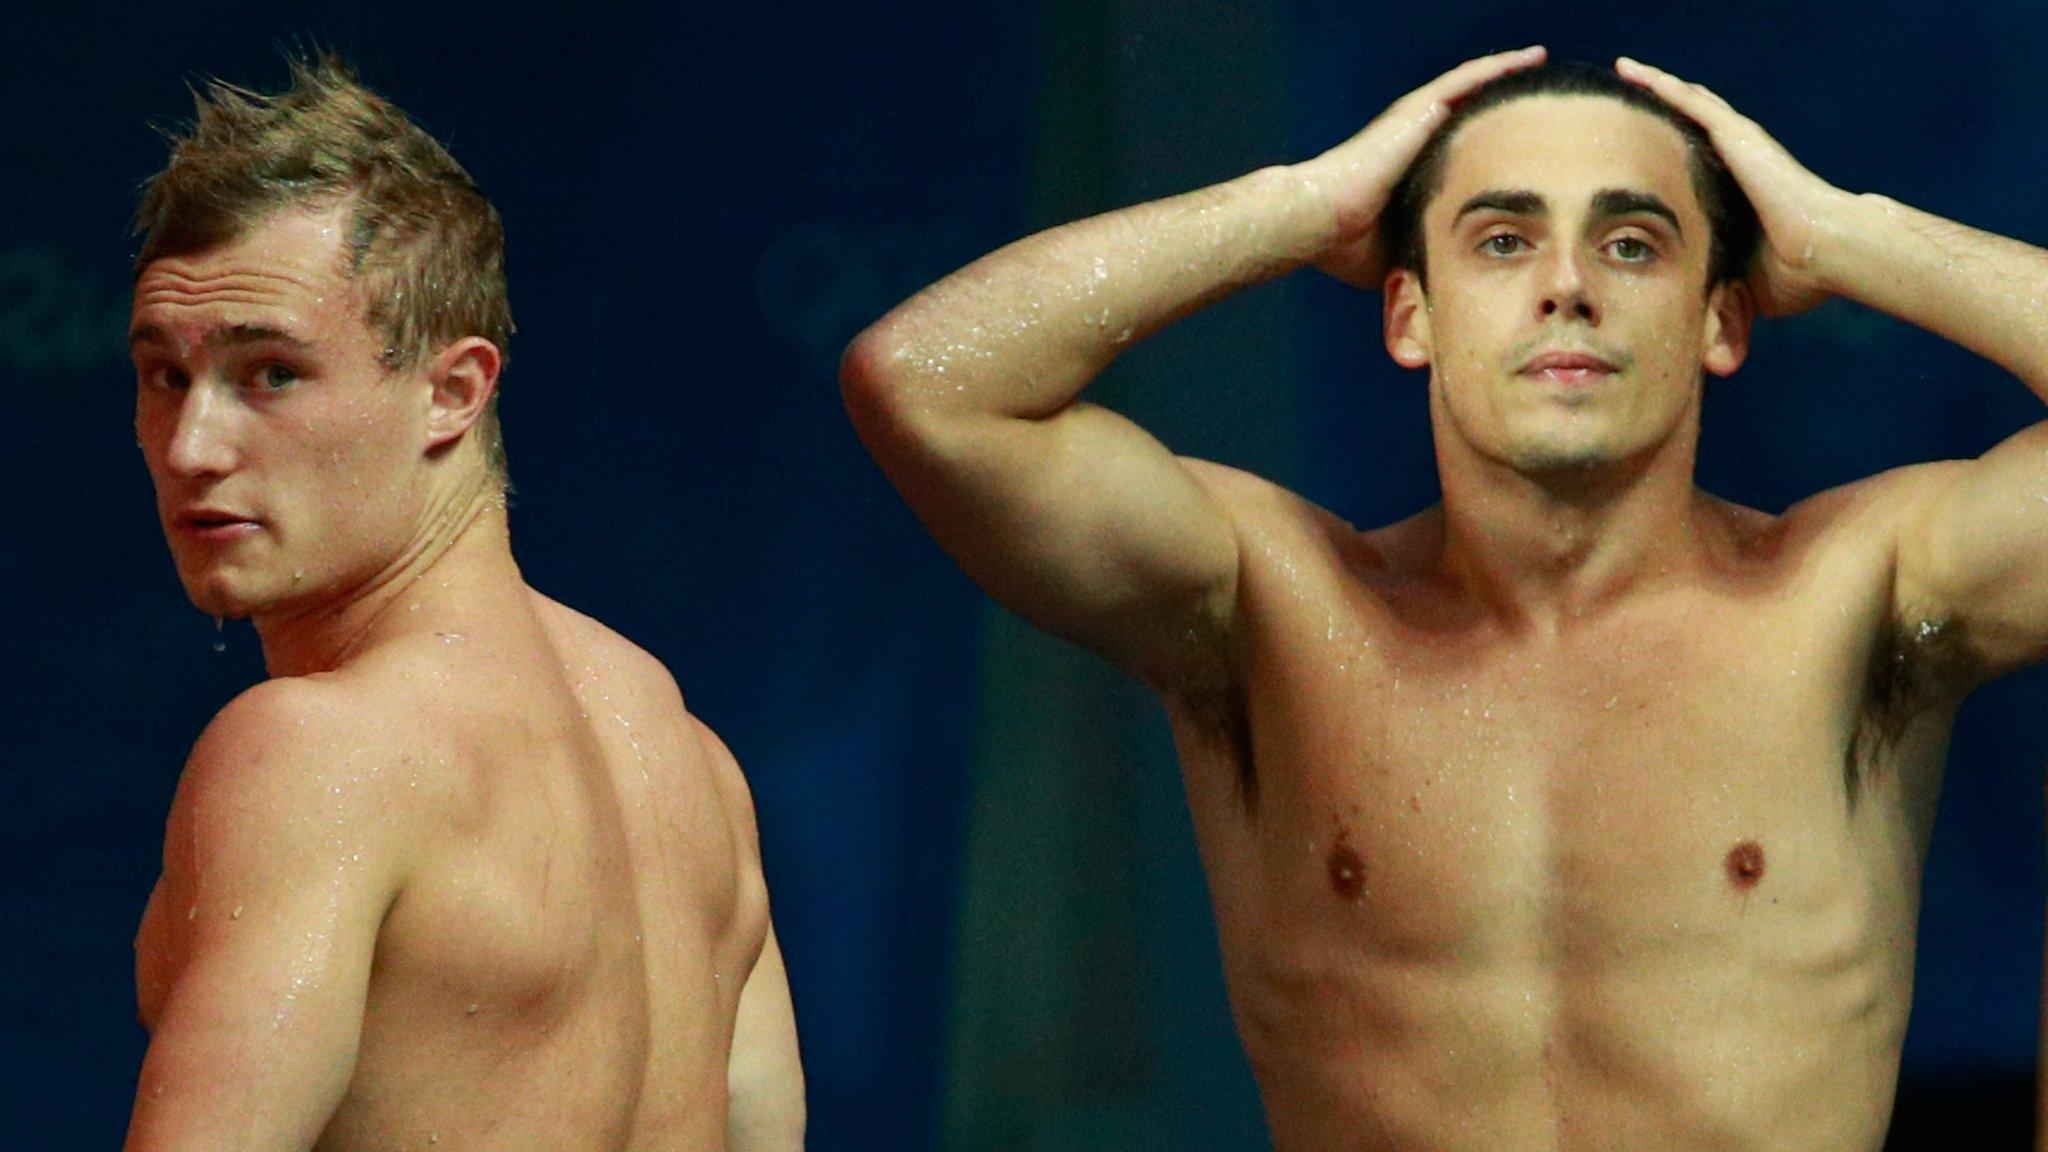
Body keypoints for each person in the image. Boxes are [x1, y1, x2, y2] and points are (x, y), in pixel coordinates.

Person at [843, 46, 2048, 1150]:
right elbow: (925, 385)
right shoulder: (1271, 608)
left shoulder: (1857, 595)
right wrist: (1302, 205)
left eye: (1631, 245)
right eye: (1500, 240)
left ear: (1719, 317)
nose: (1567, 285)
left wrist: (1844, 235)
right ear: (1409, 311)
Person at [124, 54, 803, 1151]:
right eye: (165, 375)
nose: (193, 449)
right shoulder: (689, 763)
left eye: (271, 375)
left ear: (452, 391)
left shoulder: (315, 754)